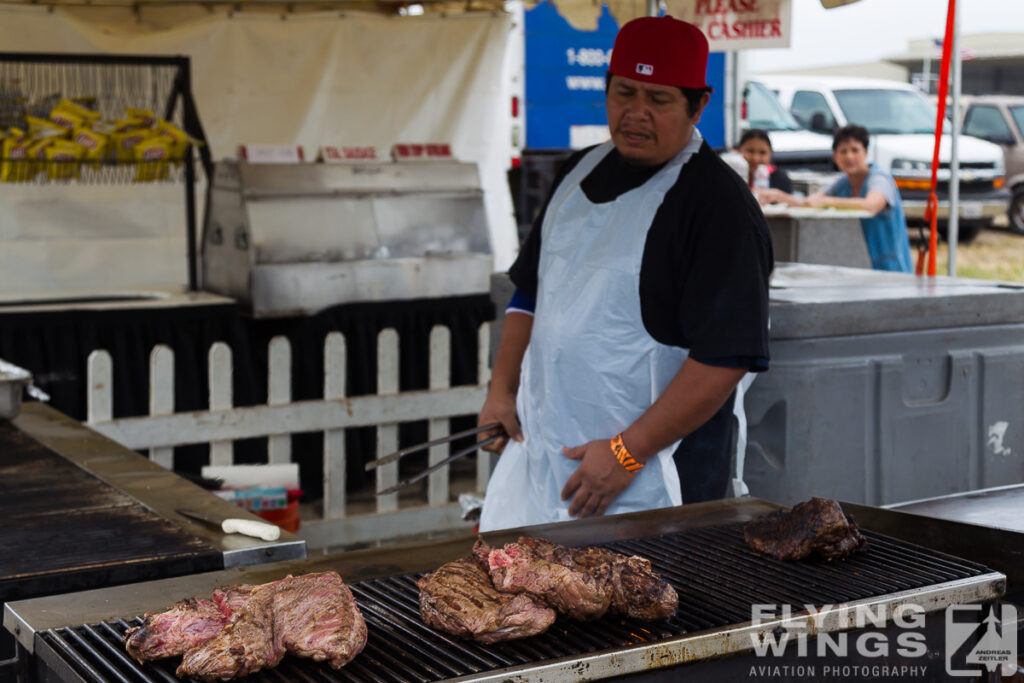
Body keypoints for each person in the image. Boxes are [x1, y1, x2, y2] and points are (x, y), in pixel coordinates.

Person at [475, 16, 773, 532]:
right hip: (547, 457)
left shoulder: (718, 205)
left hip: (655, 482)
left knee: (644, 606)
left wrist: (626, 453)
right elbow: (530, 292)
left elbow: (725, 359)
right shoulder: (577, 170)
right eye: (624, 92)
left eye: (658, 99)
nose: (635, 114)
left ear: (698, 104)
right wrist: (500, 391)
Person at [795, 124, 913, 272]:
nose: (849, 156)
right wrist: (780, 197)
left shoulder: (880, 179)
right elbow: (811, 201)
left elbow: (871, 206)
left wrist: (827, 202)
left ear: (866, 152)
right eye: (843, 151)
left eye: (855, 150)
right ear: (835, 156)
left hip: (891, 269)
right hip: (860, 267)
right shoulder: (843, 182)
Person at [736, 128, 794, 201]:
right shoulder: (732, 177)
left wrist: (779, 196)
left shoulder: (780, 178)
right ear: (738, 150)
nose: (755, 158)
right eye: (750, 151)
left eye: (762, 152)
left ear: (770, 154)